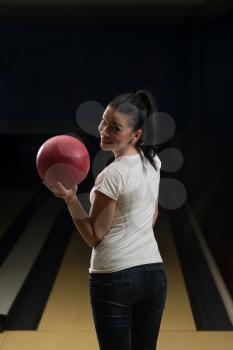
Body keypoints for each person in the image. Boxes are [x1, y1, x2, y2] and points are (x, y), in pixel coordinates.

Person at [43, 90, 167, 350]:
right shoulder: (154, 161)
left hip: (115, 278)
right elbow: (152, 215)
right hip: (154, 275)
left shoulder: (111, 175)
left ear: (136, 134)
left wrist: (70, 199)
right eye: (103, 122)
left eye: (115, 128)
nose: (104, 131)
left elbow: (93, 235)